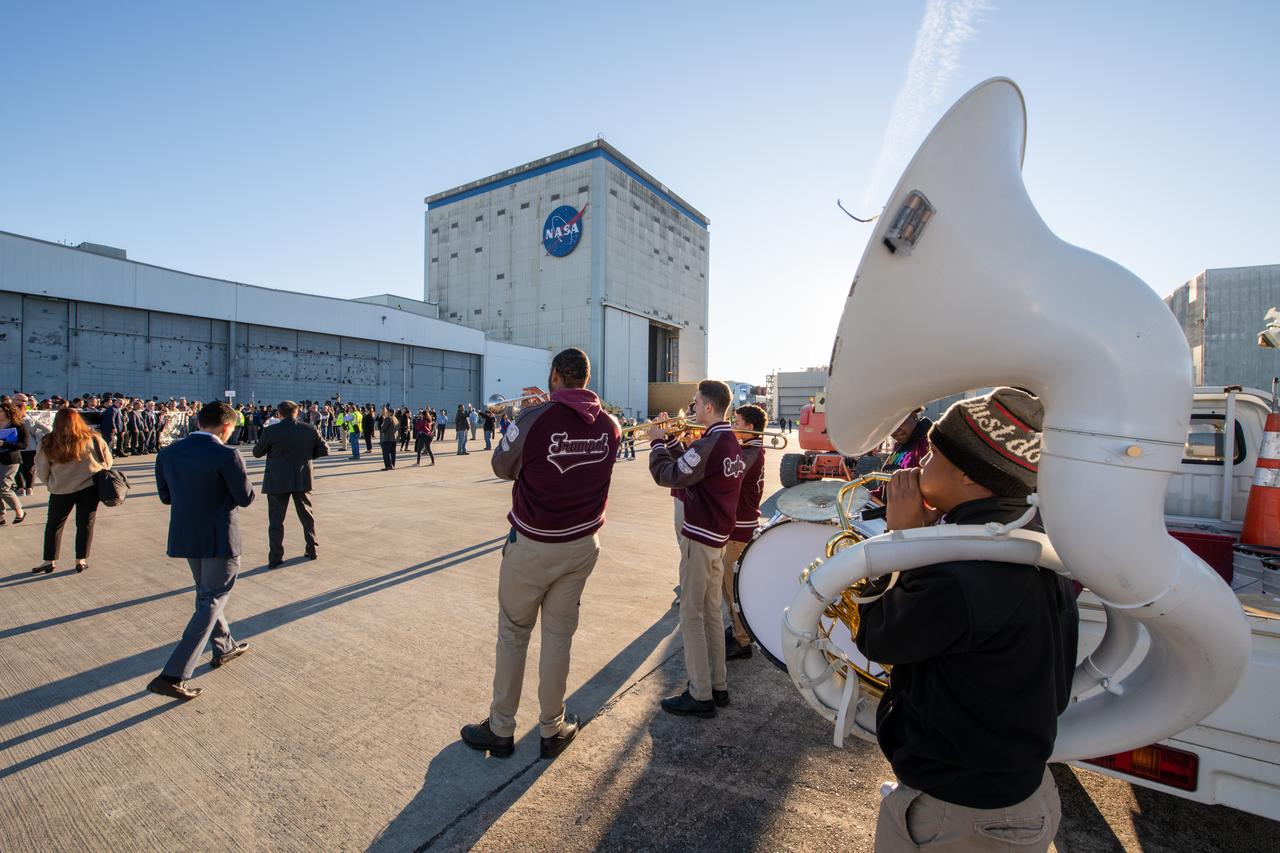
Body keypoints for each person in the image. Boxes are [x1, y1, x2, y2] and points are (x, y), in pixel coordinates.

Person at [855, 388, 1077, 852]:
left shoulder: (960, 575)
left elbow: (878, 637)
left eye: (933, 454)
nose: (916, 466)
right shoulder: (1027, 541)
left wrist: (900, 543)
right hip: (1007, 798)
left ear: (971, 478)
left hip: (963, 817)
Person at [461, 348, 620, 760]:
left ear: (554, 376)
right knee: (558, 637)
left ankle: (501, 728)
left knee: (513, 635)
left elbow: (501, 466)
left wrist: (524, 423)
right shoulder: (611, 425)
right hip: (582, 544)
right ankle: (552, 727)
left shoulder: (534, 418)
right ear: (586, 377)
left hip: (534, 544)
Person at [647, 380, 746, 717]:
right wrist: (673, 441)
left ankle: (699, 693)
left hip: (700, 539)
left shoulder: (712, 442)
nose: (691, 408)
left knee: (691, 615)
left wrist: (658, 445)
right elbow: (694, 469)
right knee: (711, 615)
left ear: (707, 407)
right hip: (717, 539)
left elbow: (670, 475)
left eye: (695, 403)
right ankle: (717, 686)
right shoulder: (727, 440)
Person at [148, 402, 255, 700]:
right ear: (226, 427)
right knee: (212, 598)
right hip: (220, 536)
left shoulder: (167, 453)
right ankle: (173, 674)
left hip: (187, 535)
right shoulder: (227, 453)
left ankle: (224, 646)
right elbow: (245, 498)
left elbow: (166, 496)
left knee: (206, 593)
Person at [33, 409, 111, 573]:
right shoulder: (93, 438)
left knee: (54, 525)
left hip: (60, 489)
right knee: (85, 524)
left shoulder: (48, 442)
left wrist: (50, 483)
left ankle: (49, 560)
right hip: (89, 488)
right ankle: (80, 559)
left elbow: (41, 468)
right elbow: (108, 461)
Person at [253, 400, 328, 568]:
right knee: (307, 516)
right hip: (302, 477)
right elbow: (325, 449)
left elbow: (257, 452)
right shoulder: (309, 429)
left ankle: (275, 556)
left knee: (276, 520)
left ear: (279, 414)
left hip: (278, 480)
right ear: (297, 413)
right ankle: (312, 549)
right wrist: (306, 457)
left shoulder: (271, 431)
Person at [723, 404, 768, 661]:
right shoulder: (747, 449)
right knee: (726, 587)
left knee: (733, 588)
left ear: (749, 428)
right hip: (736, 524)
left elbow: (728, 475)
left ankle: (742, 641)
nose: (732, 426)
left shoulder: (750, 451)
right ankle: (738, 629)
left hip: (740, 527)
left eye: (736, 422)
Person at [0, 402, 30, 526]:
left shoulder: (18, 426)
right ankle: (1, 515)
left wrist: (4, 444)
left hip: (10, 460)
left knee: (3, 487)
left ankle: (19, 511)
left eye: (0, 411)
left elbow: (24, 445)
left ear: (8, 412)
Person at [379, 405, 399, 470]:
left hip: (387, 438)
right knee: (393, 453)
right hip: (394, 438)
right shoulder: (395, 419)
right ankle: (392, 465)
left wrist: (381, 428)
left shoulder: (388, 419)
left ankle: (388, 466)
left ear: (390, 413)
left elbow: (383, 428)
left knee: (386, 453)